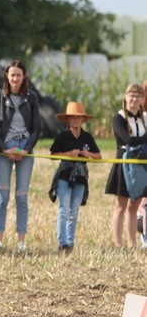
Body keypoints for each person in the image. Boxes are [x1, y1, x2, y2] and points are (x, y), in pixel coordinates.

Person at [0, 60, 41, 251]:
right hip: (5, 149)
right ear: (7, 77)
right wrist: (4, 149)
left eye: (19, 75)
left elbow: (37, 127)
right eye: (12, 75)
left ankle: (21, 241)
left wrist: (26, 149)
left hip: (25, 148)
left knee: (22, 196)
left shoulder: (31, 97)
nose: (15, 78)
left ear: (24, 76)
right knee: (2, 196)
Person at [49, 102, 101, 252]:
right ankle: (62, 243)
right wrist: (69, 154)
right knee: (64, 209)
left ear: (82, 120)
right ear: (68, 120)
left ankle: (70, 243)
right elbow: (52, 155)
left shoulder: (87, 137)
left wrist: (88, 154)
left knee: (74, 210)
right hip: (65, 175)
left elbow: (99, 156)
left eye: (78, 118)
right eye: (73, 117)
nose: (76, 120)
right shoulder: (63, 136)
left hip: (81, 176)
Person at [105, 83, 147, 248]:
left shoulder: (144, 117)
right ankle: (118, 244)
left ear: (142, 99)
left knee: (134, 205)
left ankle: (132, 244)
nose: (134, 98)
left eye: (138, 95)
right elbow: (127, 140)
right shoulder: (119, 117)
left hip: (141, 165)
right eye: (131, 94)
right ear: (125, 96)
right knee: (121, 205)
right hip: (123, 163)